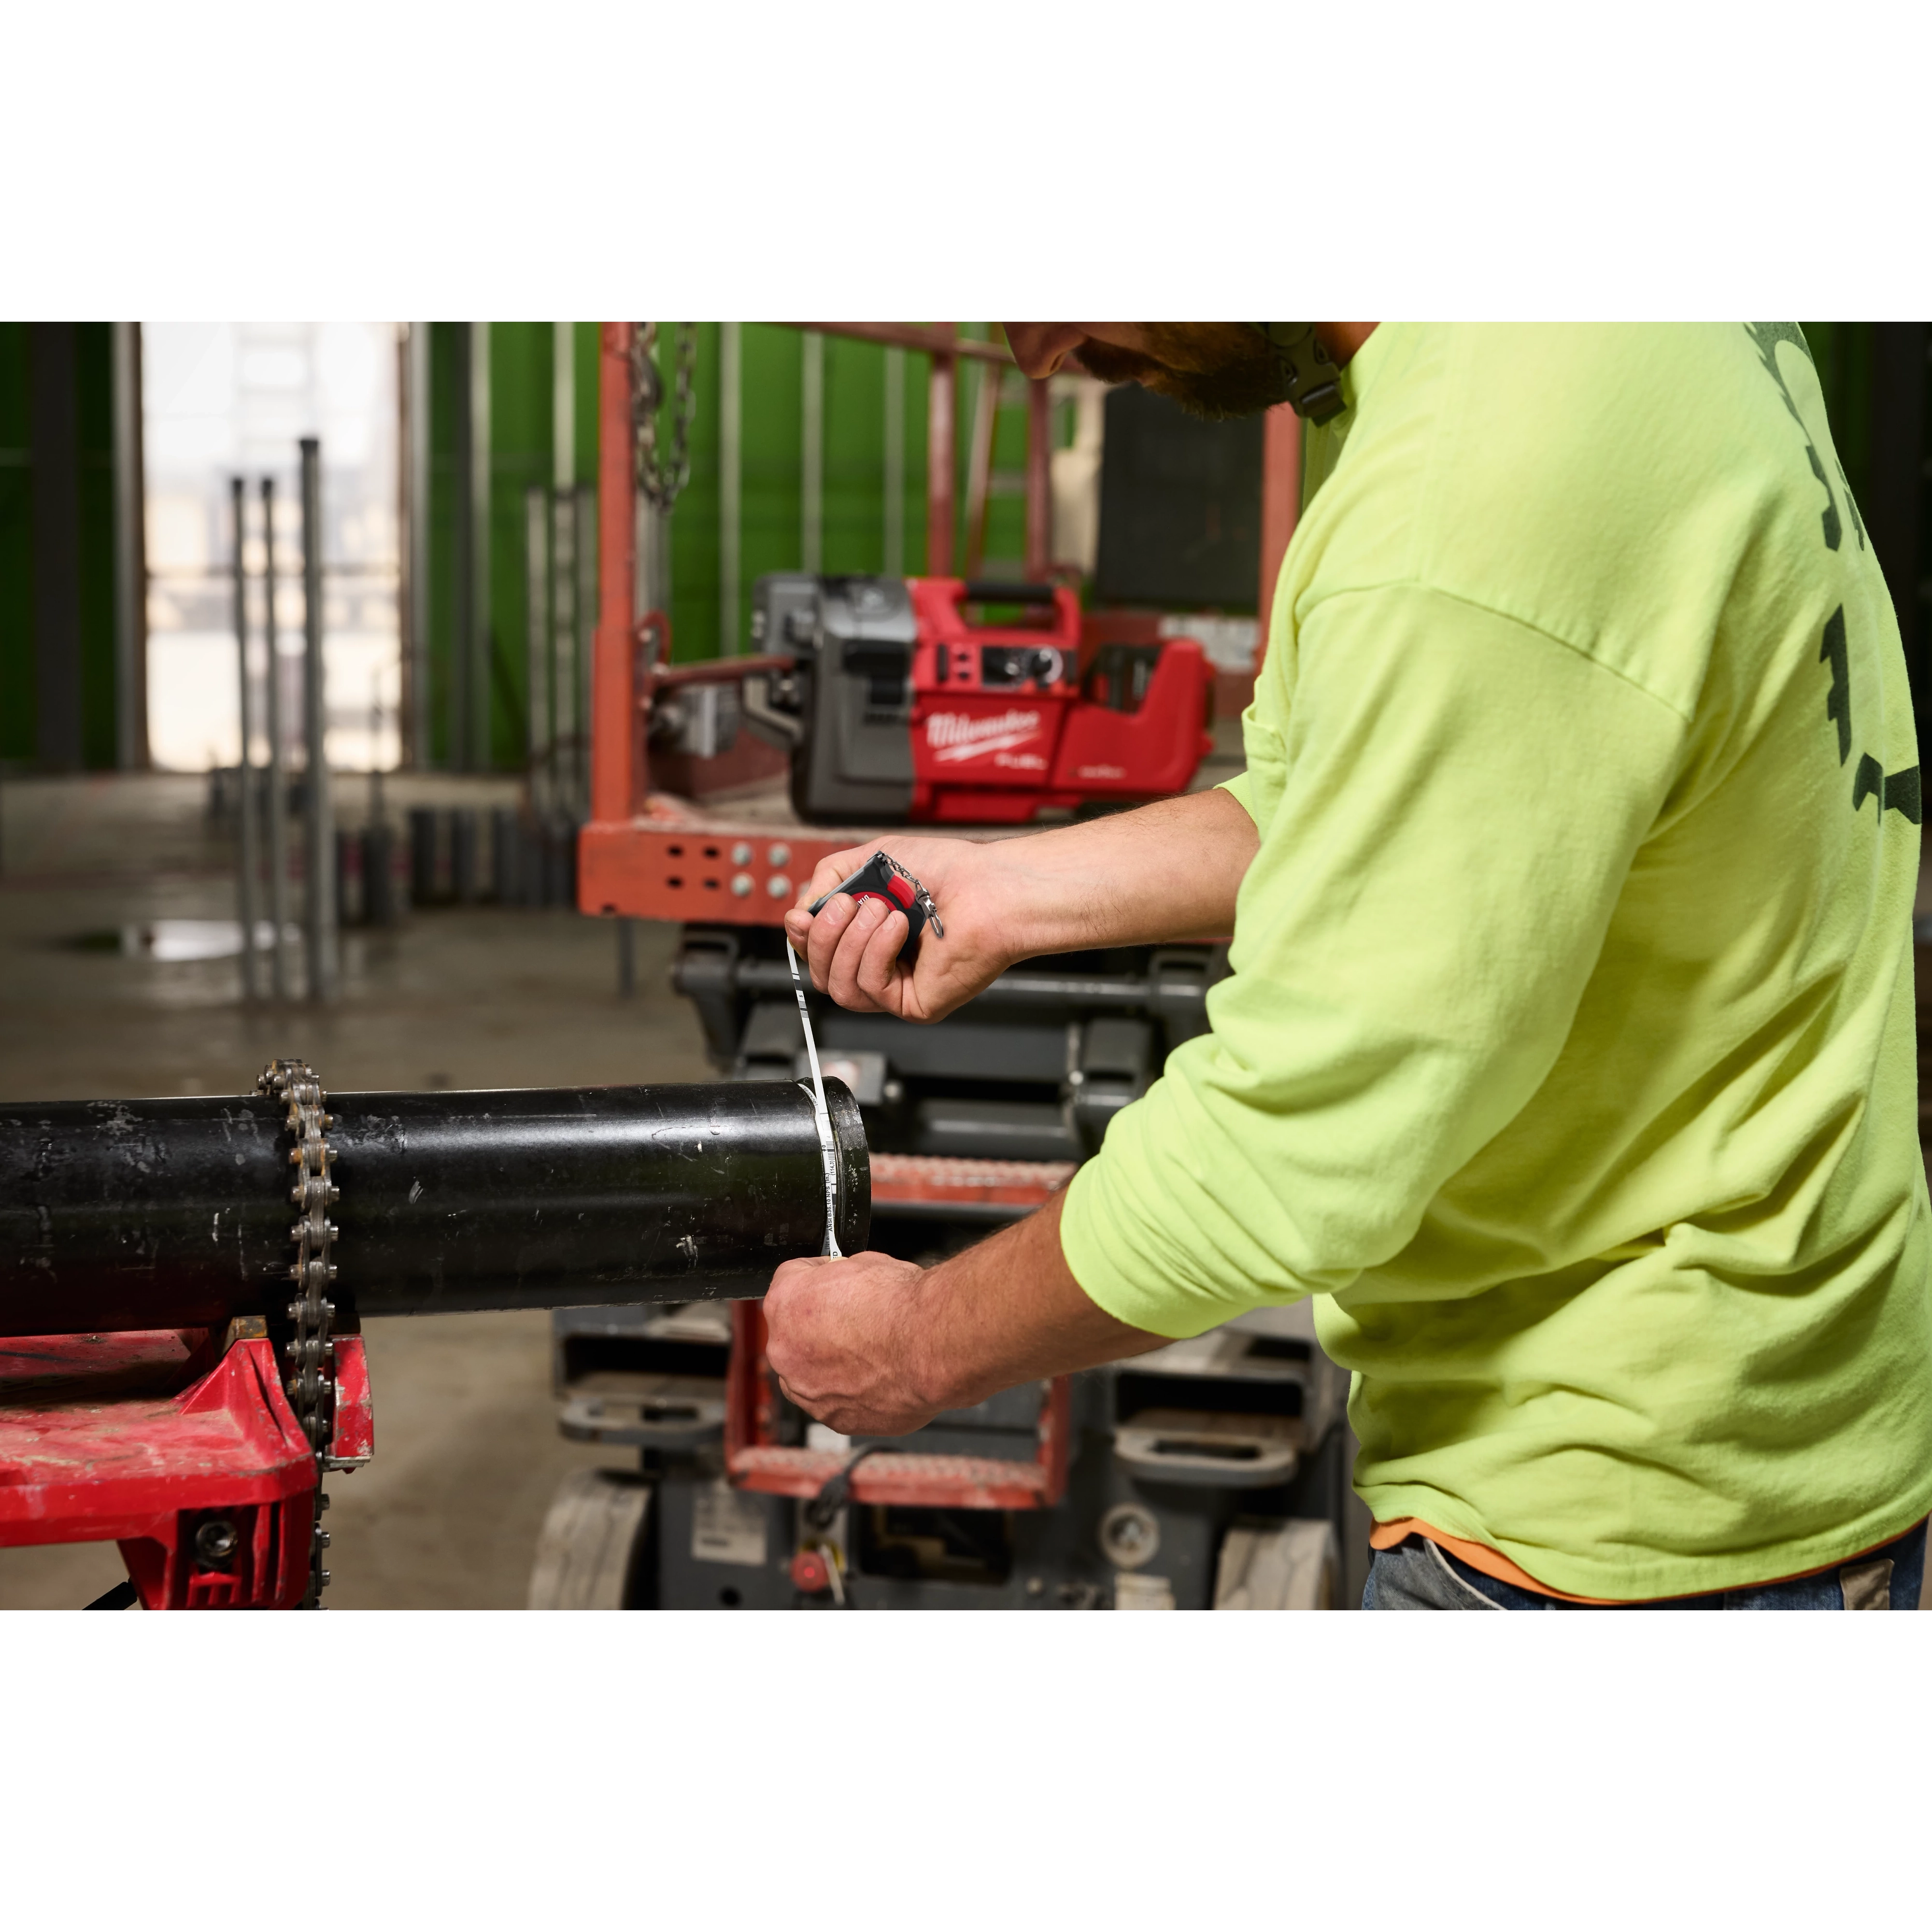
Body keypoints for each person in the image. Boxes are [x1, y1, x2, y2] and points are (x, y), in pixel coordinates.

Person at [764, 321, 1930, 1611]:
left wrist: (920, 1345)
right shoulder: (1536, 360)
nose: (1048, 361)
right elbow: (1365, 789)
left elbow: (1295, 1154)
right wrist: (1007, 888)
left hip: (1610, 1500)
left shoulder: (1479, 481)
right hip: (1789, 1402)